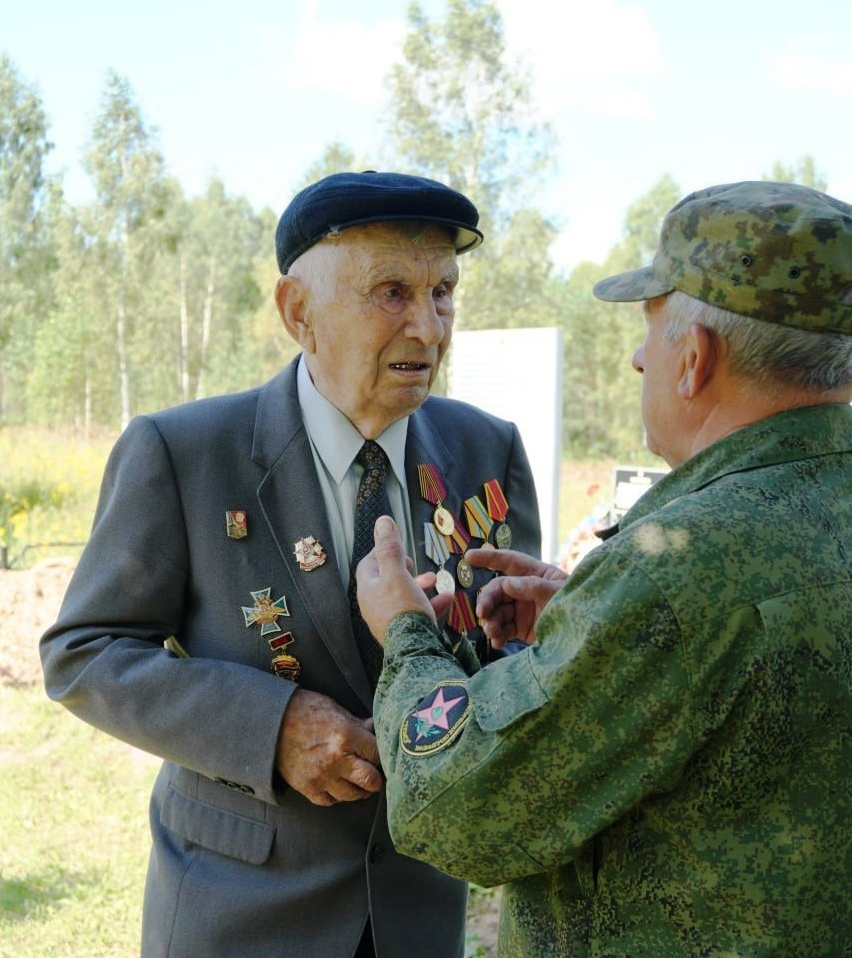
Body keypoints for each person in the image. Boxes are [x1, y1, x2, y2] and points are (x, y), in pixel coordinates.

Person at [40, 170, 541, 958]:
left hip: (417, 905)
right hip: (240, 904)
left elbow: (509, 651)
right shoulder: (184, 453)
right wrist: (269, 729)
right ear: (296, 311)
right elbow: (85, 653)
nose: (428, 327)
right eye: (390, 292)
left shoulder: (488, 449)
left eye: (442, 292)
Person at [355, 180, 851, 957]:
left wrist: (408, 635)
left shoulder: (677, 573)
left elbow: (452, 808)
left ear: (694, 358)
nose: (634, 357)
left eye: (650, 332)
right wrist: (590, 619)